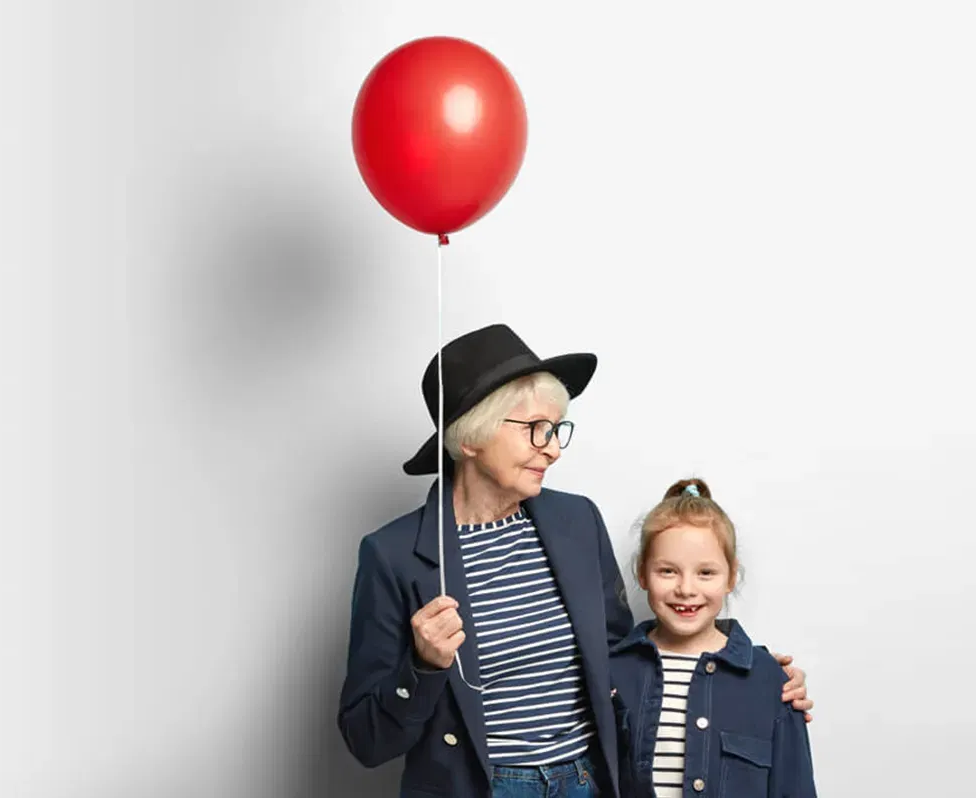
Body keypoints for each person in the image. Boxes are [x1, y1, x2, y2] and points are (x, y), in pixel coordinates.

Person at [337, 323, 813, 798]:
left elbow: (623, 658)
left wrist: (748, 676)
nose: (553, 448)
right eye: (534, 431)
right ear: (469, 438)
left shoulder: (577, 521)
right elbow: (366, 741)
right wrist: (421, 666)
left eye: (556, 429)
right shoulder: (394, 555)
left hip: (586, 783)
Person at [609, 479, 817, 798]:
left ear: (731, 577)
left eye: (705, 573)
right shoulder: (612, 672)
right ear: (642, 572)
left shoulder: (772, 682)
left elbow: (795, 789)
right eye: (667, 571)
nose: (686, 589)